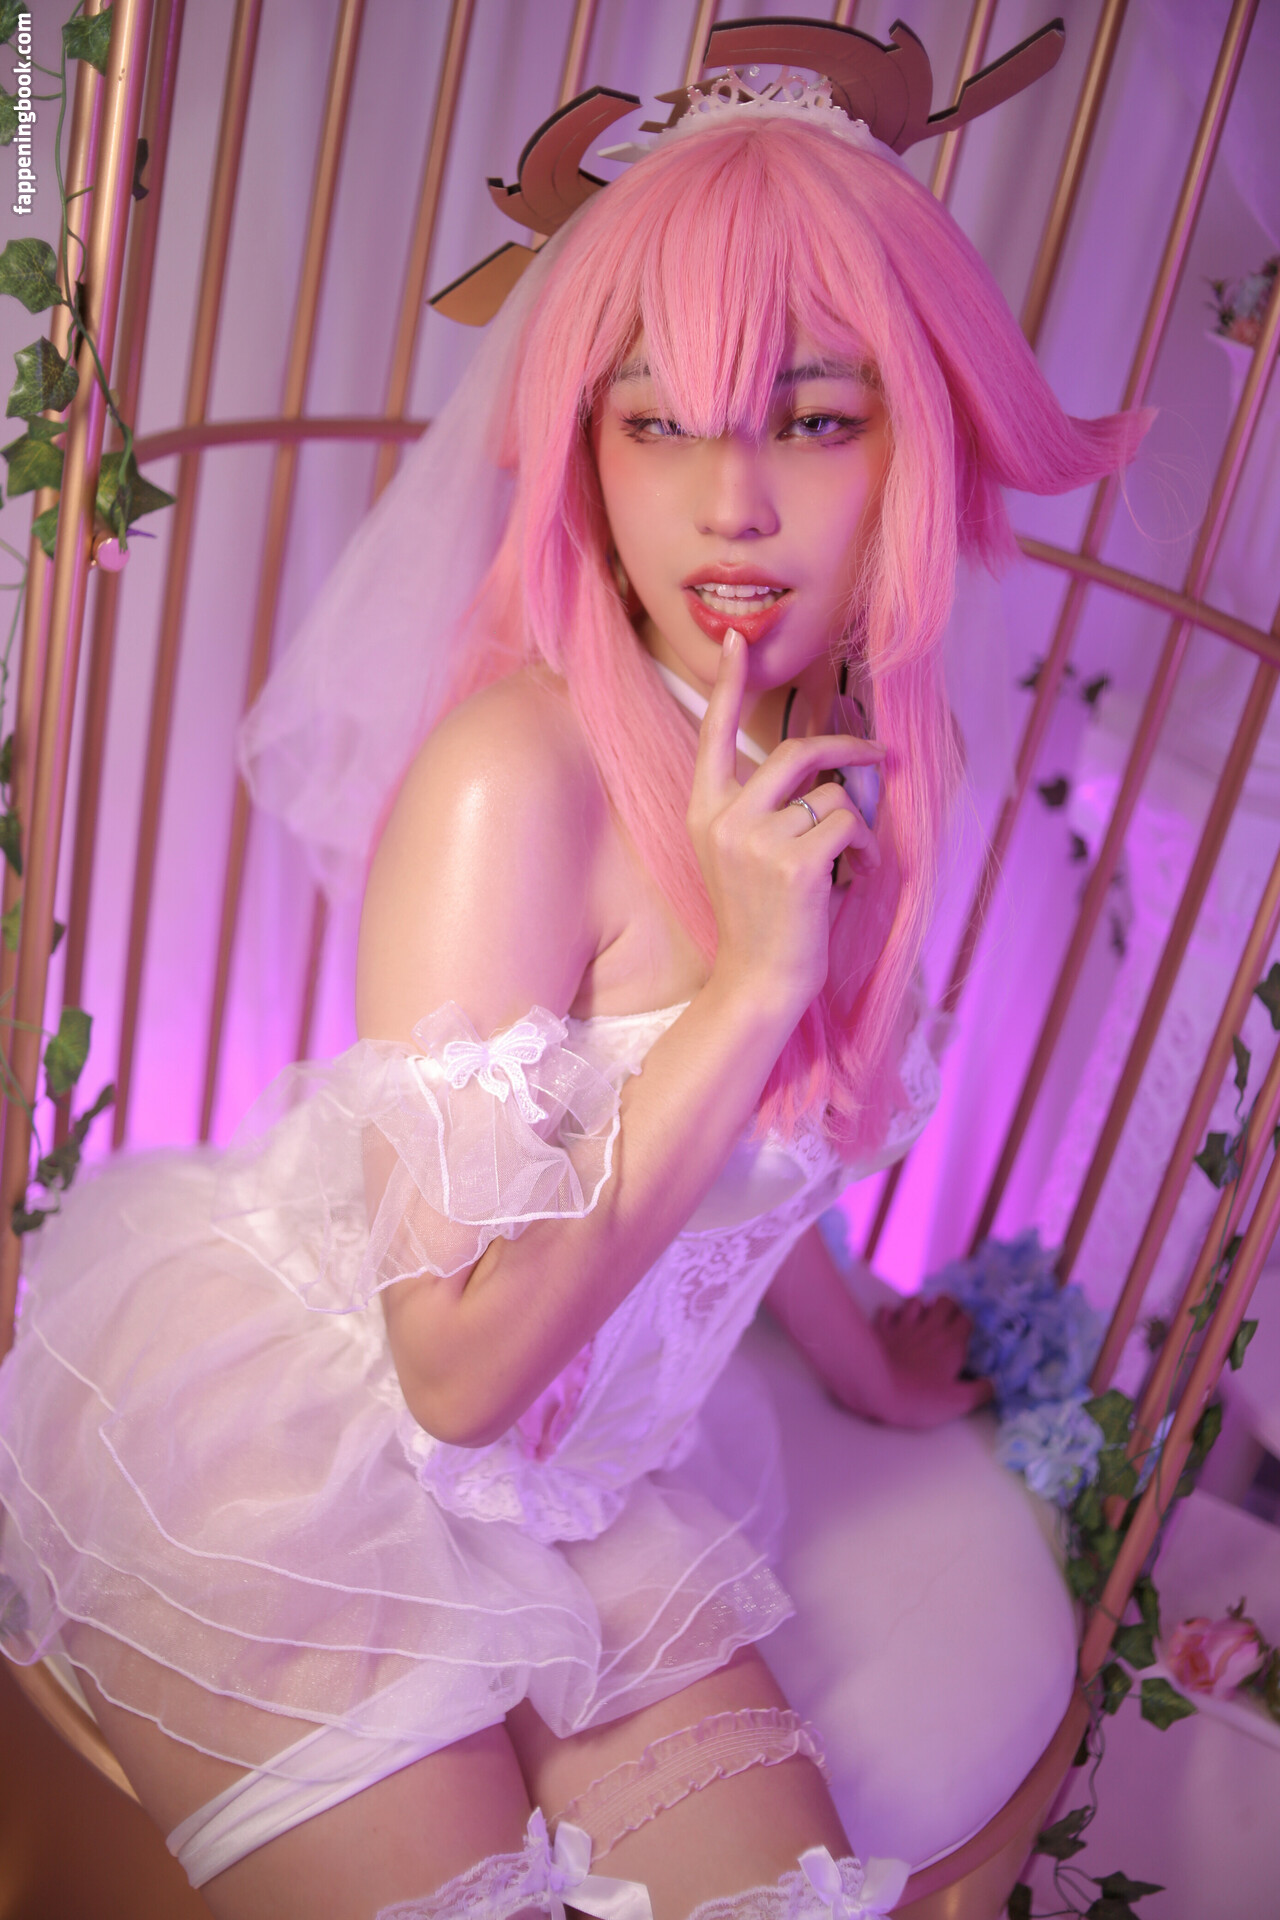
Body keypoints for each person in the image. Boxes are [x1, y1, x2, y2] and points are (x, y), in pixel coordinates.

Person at [0, 67, 1146, 1920]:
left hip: (600, 1479)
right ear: (585, 453)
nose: (731, 507)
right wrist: (753, 987)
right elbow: (452, 1373)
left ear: (916, 441)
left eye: (815, 419)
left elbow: (766, 1168)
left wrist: (865, 1363)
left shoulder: (840, 760)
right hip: (337, 1437)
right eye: (657, 424)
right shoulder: (512, 783)